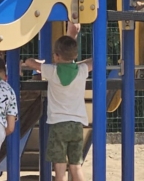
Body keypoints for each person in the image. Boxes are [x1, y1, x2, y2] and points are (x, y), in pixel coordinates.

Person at [23, 34, 92, 181]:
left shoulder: (51, 70)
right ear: (75, 55)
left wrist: (38, 62)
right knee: (76, 166)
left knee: (60, 167)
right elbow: (93, 61)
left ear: (56, 56)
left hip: (58, 124)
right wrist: (78, 62)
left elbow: (29, 62)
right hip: (77, 124)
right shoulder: (82, 70)